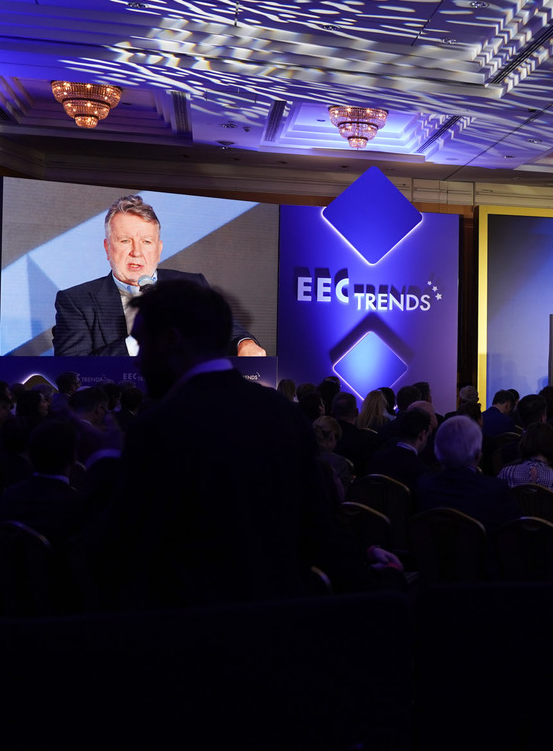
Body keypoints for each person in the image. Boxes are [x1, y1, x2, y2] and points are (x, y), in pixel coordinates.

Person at [96, 280, 353, 608]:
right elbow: (317, 527)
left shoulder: (156, 427)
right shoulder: (284, 414)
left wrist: (104, 458)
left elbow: (117, 553)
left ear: (170, 340)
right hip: (280, 620)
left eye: (142, 342)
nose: (137, 359)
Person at [53, 195, 264, 357]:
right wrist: (140, 339)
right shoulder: (76, 301)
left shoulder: (191, 285)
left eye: (146, 242)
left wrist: (244, 343)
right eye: (125, 241)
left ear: (159, 249)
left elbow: (229, 331)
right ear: (107, 248)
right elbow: (71, 369)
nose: (136, 252)